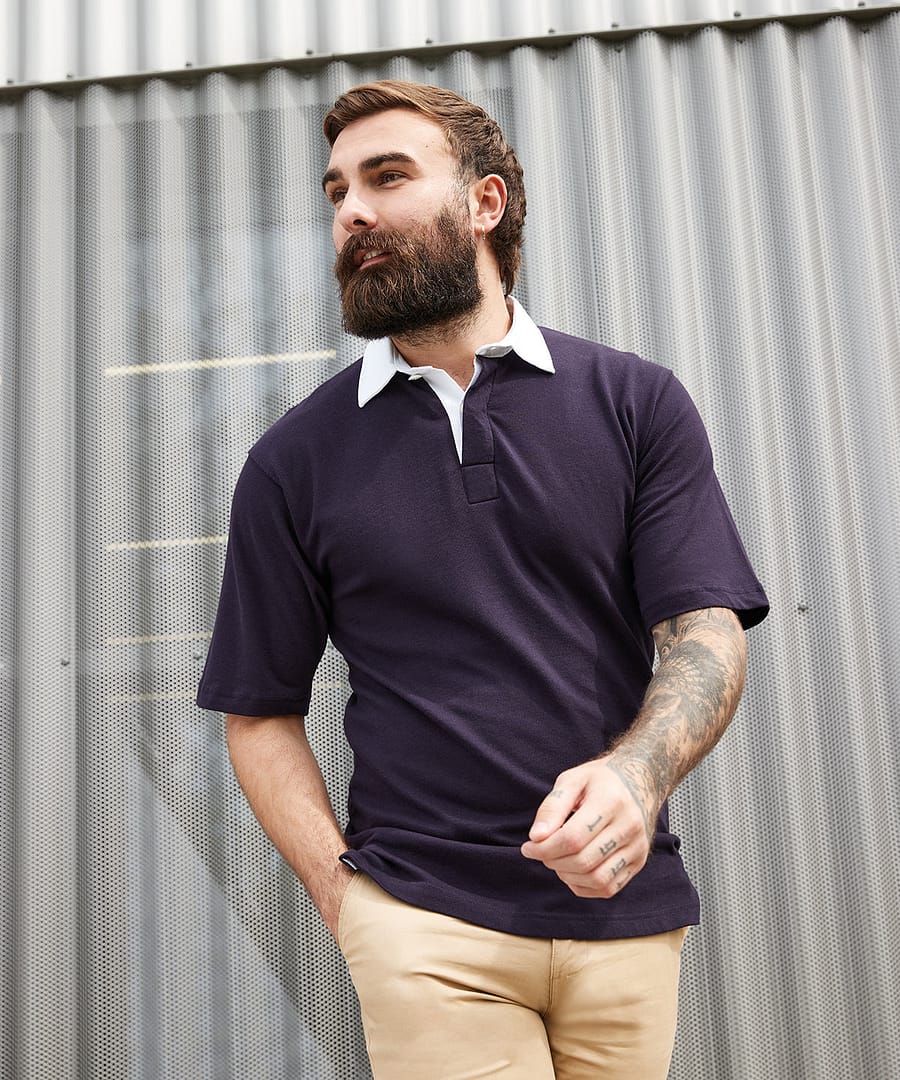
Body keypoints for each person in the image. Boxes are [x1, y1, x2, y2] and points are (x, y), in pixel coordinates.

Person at [197, 79, 768, 1080]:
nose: (351, 211)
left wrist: (638, 776)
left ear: (484, 203)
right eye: (337, 191)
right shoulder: (295, 459)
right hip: (424, 917)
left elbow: (704, 632)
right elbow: (257, 713)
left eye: (387, 177)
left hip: (625, 913)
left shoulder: (636, 403)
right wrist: (348, 898)